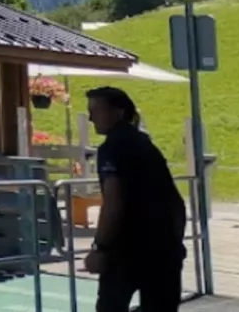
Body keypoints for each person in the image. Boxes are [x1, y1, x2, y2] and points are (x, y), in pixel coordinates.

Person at [82, 86, 187, 312]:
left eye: (96, 111)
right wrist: (175, 242)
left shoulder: (113, 147)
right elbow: (176, 201)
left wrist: (100, 248)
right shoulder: (144, 144)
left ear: (118, 112)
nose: (90, 118)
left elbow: (113, 202)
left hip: (127, 251)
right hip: (163, 249)